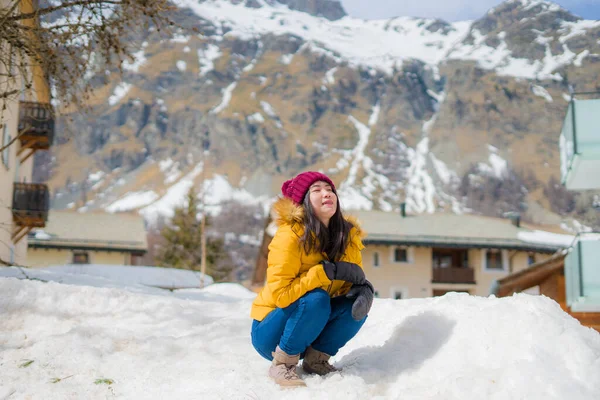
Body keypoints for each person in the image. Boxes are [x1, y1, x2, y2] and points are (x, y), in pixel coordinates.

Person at [250, 171, 374, 387]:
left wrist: (363, 289)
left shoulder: (348, 238)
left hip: (311, 327)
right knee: (316, 298)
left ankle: (315, 360)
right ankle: (282, 365)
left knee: (357, 305)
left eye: (330, 190)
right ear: (304, 201)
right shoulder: (290, 236)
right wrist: (320, 274)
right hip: (272, 331)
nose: (326, 194)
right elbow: (281, 296)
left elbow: (345, 287)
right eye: (316, 190)